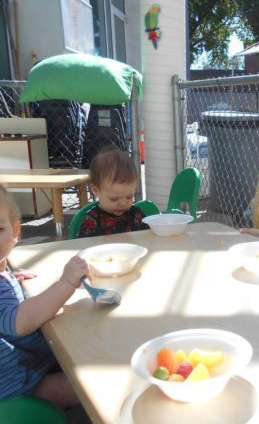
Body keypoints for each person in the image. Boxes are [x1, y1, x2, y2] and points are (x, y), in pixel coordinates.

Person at [0, 184, 89, 406]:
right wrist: (66, 282)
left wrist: (9, 276)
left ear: (16, 232)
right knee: (89, 387)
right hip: (17, 389)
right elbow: (21, 320)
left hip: (26, 363)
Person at [76, 148, 149, 238]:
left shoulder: (135, 214)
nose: (122, 204)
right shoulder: (92, 220)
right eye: (114, 199)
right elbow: (84, 247)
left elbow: (149, 238)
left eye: (129, 197)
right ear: (95, 190)